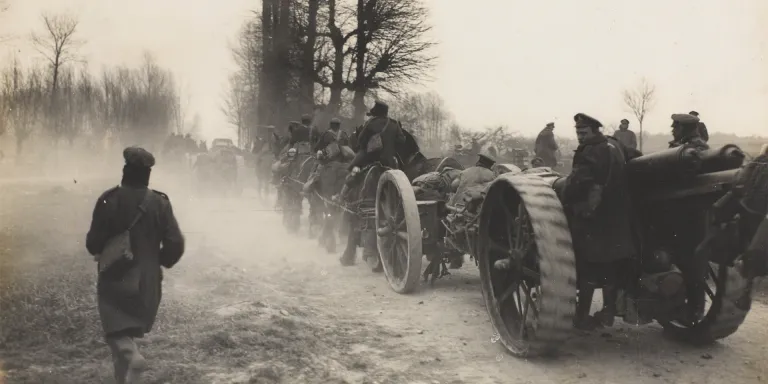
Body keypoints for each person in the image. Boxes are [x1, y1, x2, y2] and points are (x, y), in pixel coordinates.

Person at [85, 146, 185, 384]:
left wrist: (103, 249)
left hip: (115, 277)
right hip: (148, 283)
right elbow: (176, 244)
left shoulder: (109, 199)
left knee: (116, 333)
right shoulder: (160, 202)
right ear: (147, 174)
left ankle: (135, 358)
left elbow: (92, 243)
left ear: (125, 171)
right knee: (126, 332)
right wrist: (157, 261)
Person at [562, 113, 636, 330]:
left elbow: (578, 182)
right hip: (618, 215)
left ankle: (582, 316)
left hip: (592, 217)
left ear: (594, 131)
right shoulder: (615, 146)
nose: (580, 136)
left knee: (586, 266)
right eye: (577, 132)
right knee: (611, 265)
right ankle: (608, 312)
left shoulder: (589, 151)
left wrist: (566, 195)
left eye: (583, 132)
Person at [340, 100, 406, 268]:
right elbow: (401, 143)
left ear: (375, 113)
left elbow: (361, 143)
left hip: (371, 160)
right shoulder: (394, 124)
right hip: (391, 164)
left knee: (352, 173)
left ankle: (343, 194)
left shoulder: (371, 123)